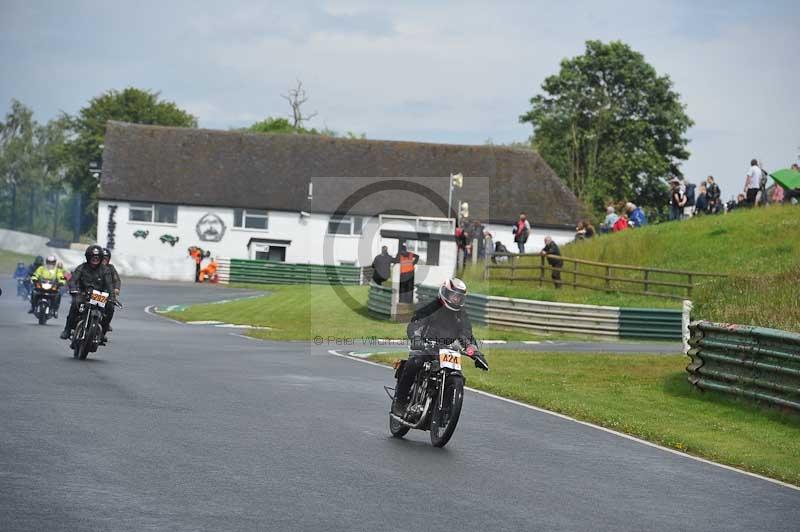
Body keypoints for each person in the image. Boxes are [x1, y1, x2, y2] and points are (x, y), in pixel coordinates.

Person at [392, 278, 488, 416]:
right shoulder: (431, 306)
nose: (456, 299)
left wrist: (475, 353)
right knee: (415, 363)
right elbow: (416, 324)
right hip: (425, 346)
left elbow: (466, 336)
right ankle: (399, 401)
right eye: (453, 295)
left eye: (459, 297)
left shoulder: (461, 314)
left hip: (446, 350)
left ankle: (445, 408)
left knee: (458, 375)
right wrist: (416, 338)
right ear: (445, 293)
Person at [60, 245, 115, 341]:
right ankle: (67, 330)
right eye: (93, 256)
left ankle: (102, 333)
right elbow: (73, 280)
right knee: (74, 304)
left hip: (98, 296)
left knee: (110, 307)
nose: (95, 259)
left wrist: (112, 297)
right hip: (83, 294)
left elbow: (110, 285)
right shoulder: (82, 267)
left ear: (101, 258)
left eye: (97, 257)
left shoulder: (105, 270)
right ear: (88, 257)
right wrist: (73, 289)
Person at [101, 248, 121, 342]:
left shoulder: (111, 268)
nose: (104, 260)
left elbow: (116, 280)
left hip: (105, 294)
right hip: (91, 292)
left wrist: (116, 289)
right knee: (77, 303)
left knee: (110, 307)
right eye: (102, 258)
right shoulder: (91, 266)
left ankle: (103, 332)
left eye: (106, 258)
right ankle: (70, 327)